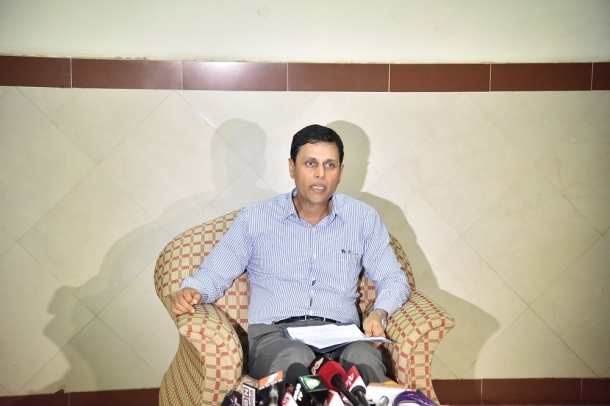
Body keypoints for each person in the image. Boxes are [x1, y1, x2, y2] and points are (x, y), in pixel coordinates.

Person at [172, 124, 410, 382]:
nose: (320, 174)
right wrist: (194, 290)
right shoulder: (256, 218)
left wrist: (379, 313)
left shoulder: (363, 218)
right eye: (310, 163)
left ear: (340, 172)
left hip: (342, 335)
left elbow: (393, 279)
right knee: (295, 357)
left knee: (364, 358)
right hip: (276, 336)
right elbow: (215, 273)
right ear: (291, 167)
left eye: (330, 165)